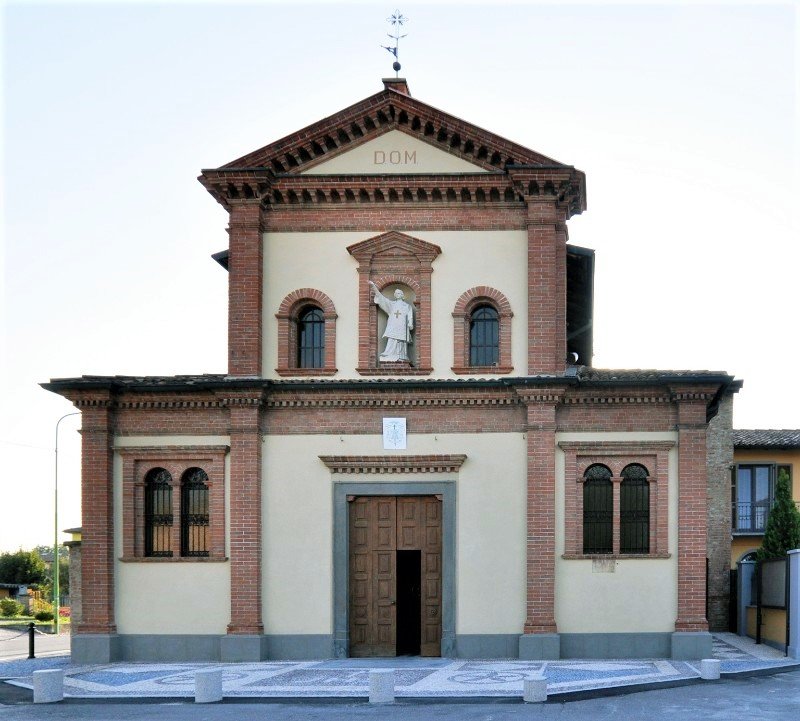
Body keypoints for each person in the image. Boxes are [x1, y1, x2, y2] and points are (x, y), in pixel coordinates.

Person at [368, 281, 414, 363]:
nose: (397, 294)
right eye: (396, 293)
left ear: (402, 295)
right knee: (392, 339)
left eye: (399, 293)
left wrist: (410, 323)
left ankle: (401, 355)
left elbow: (410, 315)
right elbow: (382, 299)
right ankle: (389, 354)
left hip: (403, 326)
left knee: (401, 341)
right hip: (393, 325)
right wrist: (373, 287)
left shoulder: (407, 306)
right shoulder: (392, 304)